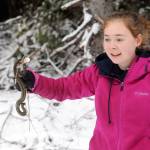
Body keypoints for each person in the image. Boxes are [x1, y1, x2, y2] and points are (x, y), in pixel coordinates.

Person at [17, 11, 150, 150]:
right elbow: (64, 88)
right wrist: (34, 81)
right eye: (107, 39)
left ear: (137, 40)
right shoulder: (100, 72)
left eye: (119, 39)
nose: (112, 45)